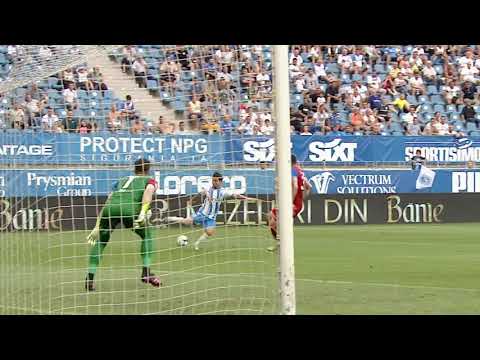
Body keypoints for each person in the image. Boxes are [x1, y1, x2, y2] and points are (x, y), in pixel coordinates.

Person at [85, 158, 161, 291]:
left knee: (101, 242)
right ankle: (146, 272)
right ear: (149, 169)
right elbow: (148, 191)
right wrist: (143, 212)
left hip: (110, 209)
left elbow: (109, 199)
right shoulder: (150, 180)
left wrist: (97, 226)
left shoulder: (121, 181)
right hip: (129, 209)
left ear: (134, 168)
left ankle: (90, 279)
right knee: (147, 235)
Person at [161, 172, 254, 250]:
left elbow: (235, 195)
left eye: (216, 180)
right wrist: (192, 200)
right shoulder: (208, 189)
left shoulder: (223, 192)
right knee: (186, 222)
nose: (214, 182)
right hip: (202, 214)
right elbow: (201, 192)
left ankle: (196, 244)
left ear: (221, 181)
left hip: (211, 217)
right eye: (213, 180)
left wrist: (246, 198)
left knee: (210, 232)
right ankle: (170, 219)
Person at [267, 154, 312, 252]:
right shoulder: (300, 171)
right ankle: (280, 244)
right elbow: (309, 187)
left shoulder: (292, 170)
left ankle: (281, 245)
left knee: (274, 222)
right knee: (272, 216)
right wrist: (301, 199)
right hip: (297, 203)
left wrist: (290, 202)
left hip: (291, 203)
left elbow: (295, 186)